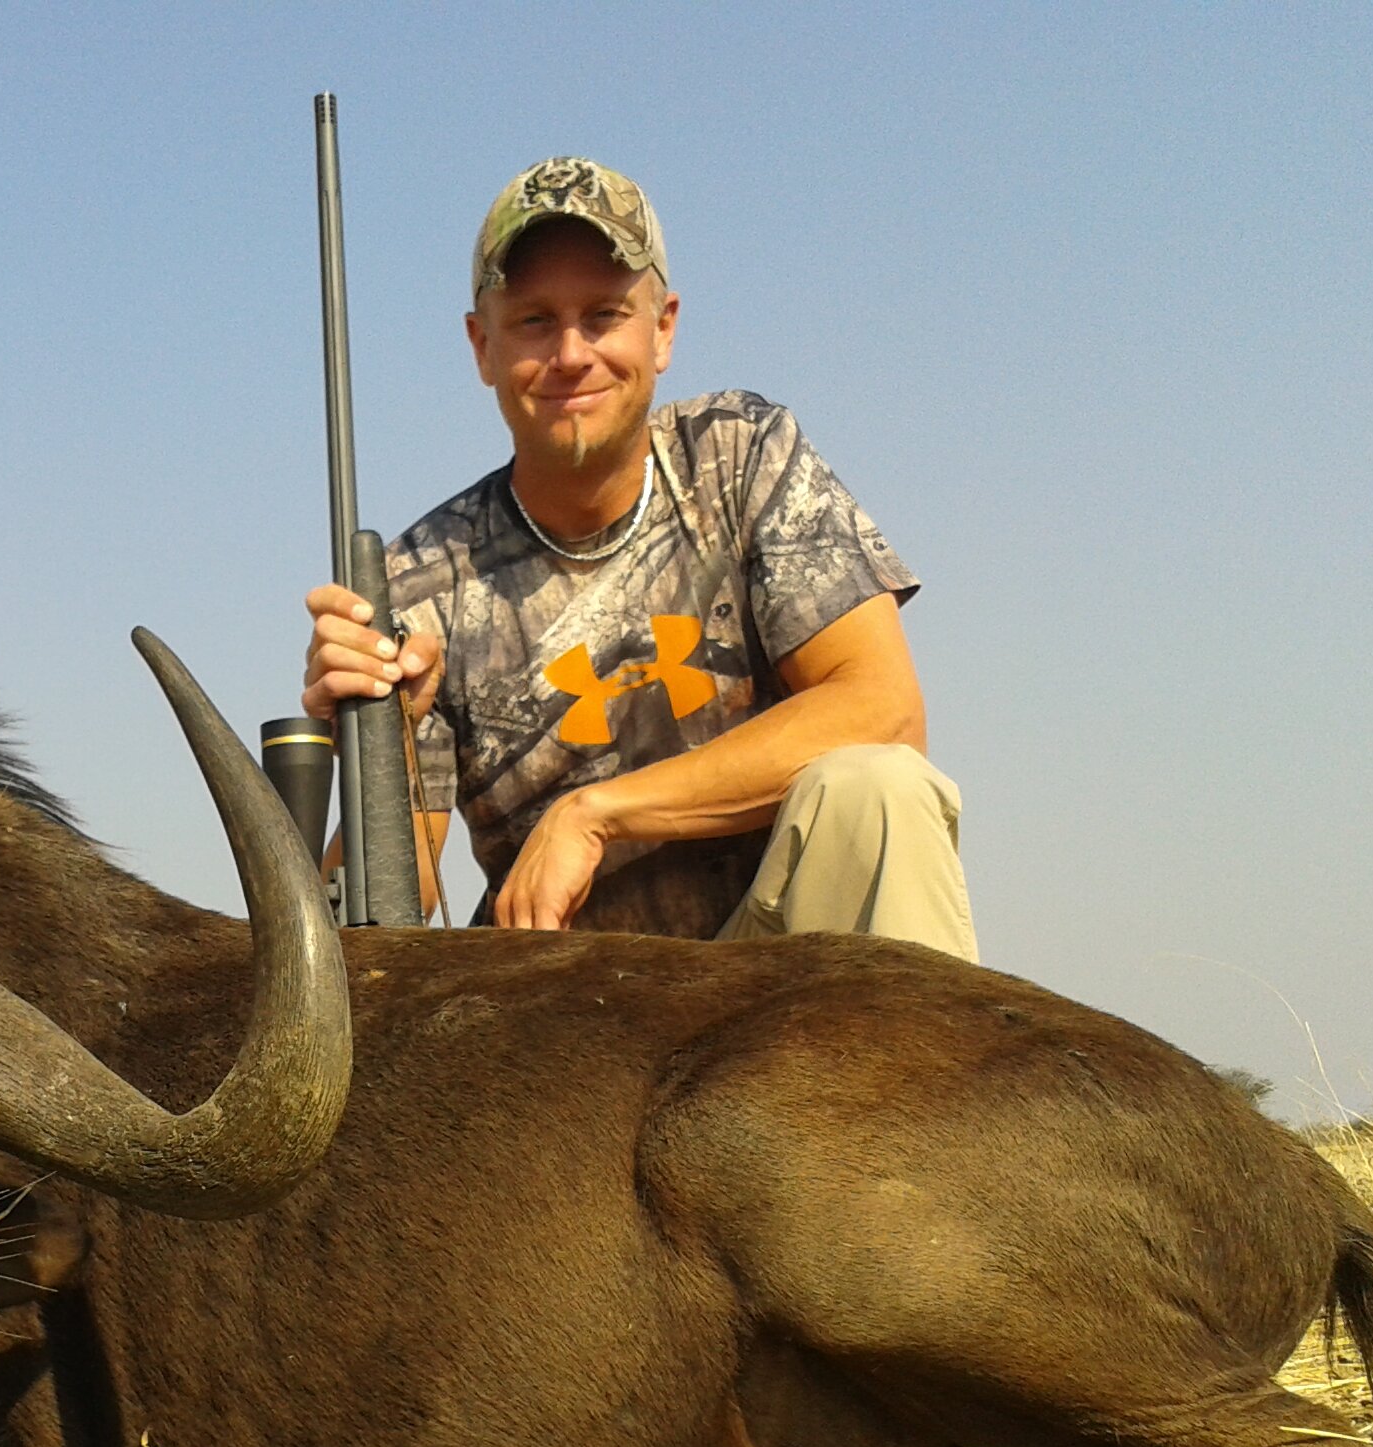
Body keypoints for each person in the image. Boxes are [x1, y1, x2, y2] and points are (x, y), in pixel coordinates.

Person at [300, 156, 977, 958]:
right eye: (534, 322)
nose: (572, 354)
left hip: (781, 982)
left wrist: (594, 814)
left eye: (604, 315)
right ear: (482, 347)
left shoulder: (741, 457)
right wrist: (375, 736)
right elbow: (389, 920)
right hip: (571, 1023)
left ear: (663, 328)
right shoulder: (416, 583)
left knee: (879, 791)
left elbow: (884, 709)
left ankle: (904, 1083)